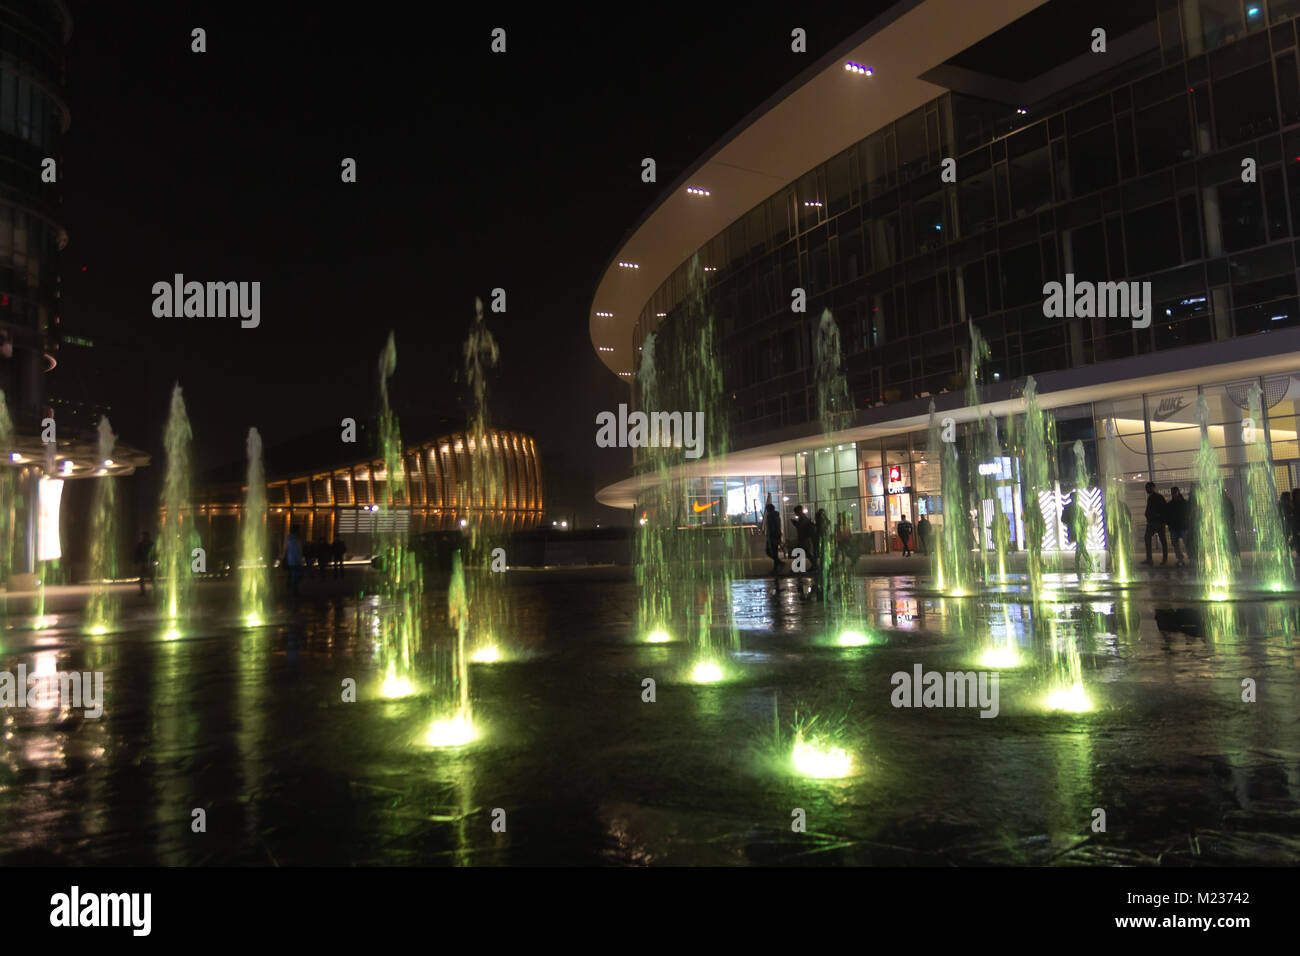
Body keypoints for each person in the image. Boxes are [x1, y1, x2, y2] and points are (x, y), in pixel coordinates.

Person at [1142, 481, 1168, 566]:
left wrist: (1157, 517)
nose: (1147, 489)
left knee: (1161, 540)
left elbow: (1163, 509)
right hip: (1153, 522)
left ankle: (1156, 559)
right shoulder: (1153, 497)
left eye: (1148, 488)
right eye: (1146, 488)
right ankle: (1154, 559)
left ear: (1153, 488)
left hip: (1157, 522)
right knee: (1157, 539)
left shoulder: (1157, 497)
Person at [1166, 486, 1189, 567]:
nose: (1173, 494)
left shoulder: (1170, 504)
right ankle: (1188, 558)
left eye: (1174, 492)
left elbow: (1167, 516)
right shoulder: (1184, 503)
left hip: (1177, 527)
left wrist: (1169, 524)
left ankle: (1180, 559)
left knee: (1177, 544)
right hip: (1180, 526)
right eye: (1173, 492)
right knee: (1184, 543)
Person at [762, 497, 784, 575]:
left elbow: (772, 527)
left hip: (772, 536)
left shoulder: (771, 516)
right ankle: (776, 567)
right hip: (775, 535)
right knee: (774, 552)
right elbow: (777, 526)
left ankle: (779, 564)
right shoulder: (776, 516)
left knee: (770, 552)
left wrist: (772, 535)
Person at [285, 525, 305, 601]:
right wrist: (300, 561)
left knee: (293, 576)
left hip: (291, 561)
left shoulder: (289, 539)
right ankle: (294, 591)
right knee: (297, 576)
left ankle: (292, 590)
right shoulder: (296, 540)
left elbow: (286, 549)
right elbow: (297, 551)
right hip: (295, 561)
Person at [134, 531, 155, 595]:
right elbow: (137, 553)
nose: (143, 537)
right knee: (142, 578)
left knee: (150, 577)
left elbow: (154, 553)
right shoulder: (141, 544)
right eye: (143, 536)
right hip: (143, 562)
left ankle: (153, 590)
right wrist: (136, 561)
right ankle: (143, 591)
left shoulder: (151, 544)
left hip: (148, 562)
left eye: (144, 536)